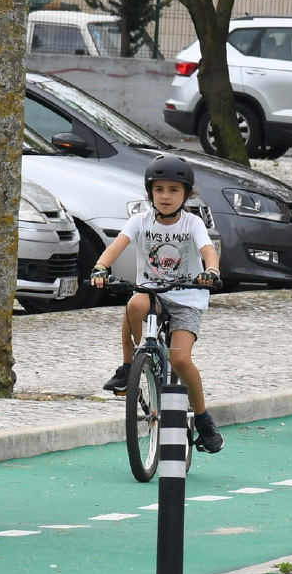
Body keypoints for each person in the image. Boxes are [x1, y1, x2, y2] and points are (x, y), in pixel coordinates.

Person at [92, 155, 225, 453]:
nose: (165, 196)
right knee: (134, 305)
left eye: (174, 190)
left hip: (187, 297)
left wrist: (211, 271)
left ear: (186, 194)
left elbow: (208, 251)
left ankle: (203, 418)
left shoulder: (193, 223)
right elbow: (117, 246)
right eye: (159, 189)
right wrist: (101, 268)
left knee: (179, 359)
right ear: (150, 192)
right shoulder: (140, 221)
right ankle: (130, 367)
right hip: (152, 292)